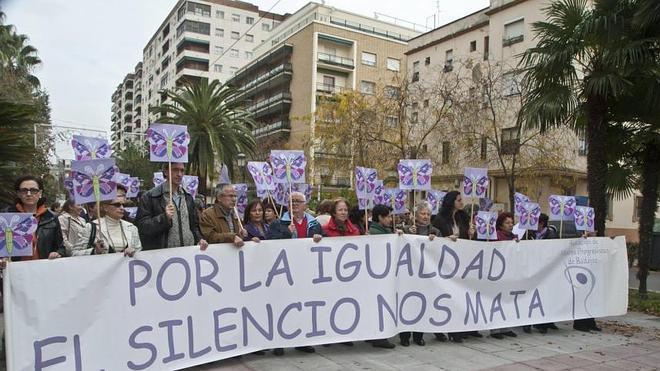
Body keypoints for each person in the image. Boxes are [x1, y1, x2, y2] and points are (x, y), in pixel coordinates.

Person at [268, 191, 321, 355]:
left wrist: (321, 237)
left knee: (303, 306)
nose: (295, 204)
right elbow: (270, 243)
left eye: (299, 201)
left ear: (305, 205)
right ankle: (279, 342)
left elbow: (324, 243)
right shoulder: (278, 223)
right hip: (285, 271)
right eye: (292, 201)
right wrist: (286, 232)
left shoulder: (314, 224)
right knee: (283, 306)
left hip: (307, 271)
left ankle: (302, 340)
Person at [431, 190, 480, 342]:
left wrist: (473, 233)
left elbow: (469, 239)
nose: (461, 202)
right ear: (451, 201)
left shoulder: (463, 217)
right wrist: (446, 239)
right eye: (459, 200)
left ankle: (464, 327)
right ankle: (451, 330)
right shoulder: (439, 219)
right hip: (446, 263)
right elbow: (436, 239)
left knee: (463, 295)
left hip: (463, 262)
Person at [135, 162, 207, 251]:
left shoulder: (188, 197)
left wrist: (199, 239)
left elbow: (194, 226)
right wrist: (164, 218)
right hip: (165, 256)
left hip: (188, 253)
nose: (179, 174)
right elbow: (142, 227)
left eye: (182, 170)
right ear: (165, 172)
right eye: (175, 170)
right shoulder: (150, 196)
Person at [399, 202, 439, 347]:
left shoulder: (435, 231)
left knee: (422, 304)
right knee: (407, 304)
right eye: (422, 213)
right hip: (408, 274)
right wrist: (405, 234)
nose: (426, 216)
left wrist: (441, 241)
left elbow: (441, 249)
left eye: (428, 214)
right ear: (416, 216)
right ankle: (404, 336)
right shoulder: (406, 229)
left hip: (425, 275)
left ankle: (418, 335)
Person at [2, 175, 65, 261]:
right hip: (15, 270)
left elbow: (61, 247)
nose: (29, 194)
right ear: (18, 194)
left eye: (33, 190)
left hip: (43, 269)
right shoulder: (6, 217)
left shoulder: (51, 217)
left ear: (40, 193)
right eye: (24, 190)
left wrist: (58, 253)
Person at [72, 185, 141, 257]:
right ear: (105, 207)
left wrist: (134, 251)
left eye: (123, 205)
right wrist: (95, 251)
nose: (122, 208)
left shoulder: (132, 228)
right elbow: (74, 253)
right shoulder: (91, 227)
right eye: (117, 205)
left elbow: (139, 251)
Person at [364, 204, 398, 349]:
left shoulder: (383, 232)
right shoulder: (377, 234)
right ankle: (379, 336)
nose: (391, 219)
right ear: (380, 217)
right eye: (388, 216)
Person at [522, 213, 560, 334]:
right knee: (529, 297)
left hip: (545, 271)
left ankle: (543, 323)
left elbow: (555, 251)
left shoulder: (551, 235)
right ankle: (527, 323)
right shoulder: (529, 234)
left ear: (541, 224)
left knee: (544, 297)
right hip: (530, 270)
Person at [491, 212, 518, 339]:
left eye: (512, 222)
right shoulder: (496, 236)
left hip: (510, 273)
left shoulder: (514, 237)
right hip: (497, 273)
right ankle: (495, 330)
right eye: (507, 223)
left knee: (508, 300)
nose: (511, 225)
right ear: (500, 225)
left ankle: (506, 327)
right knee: (496, 300)